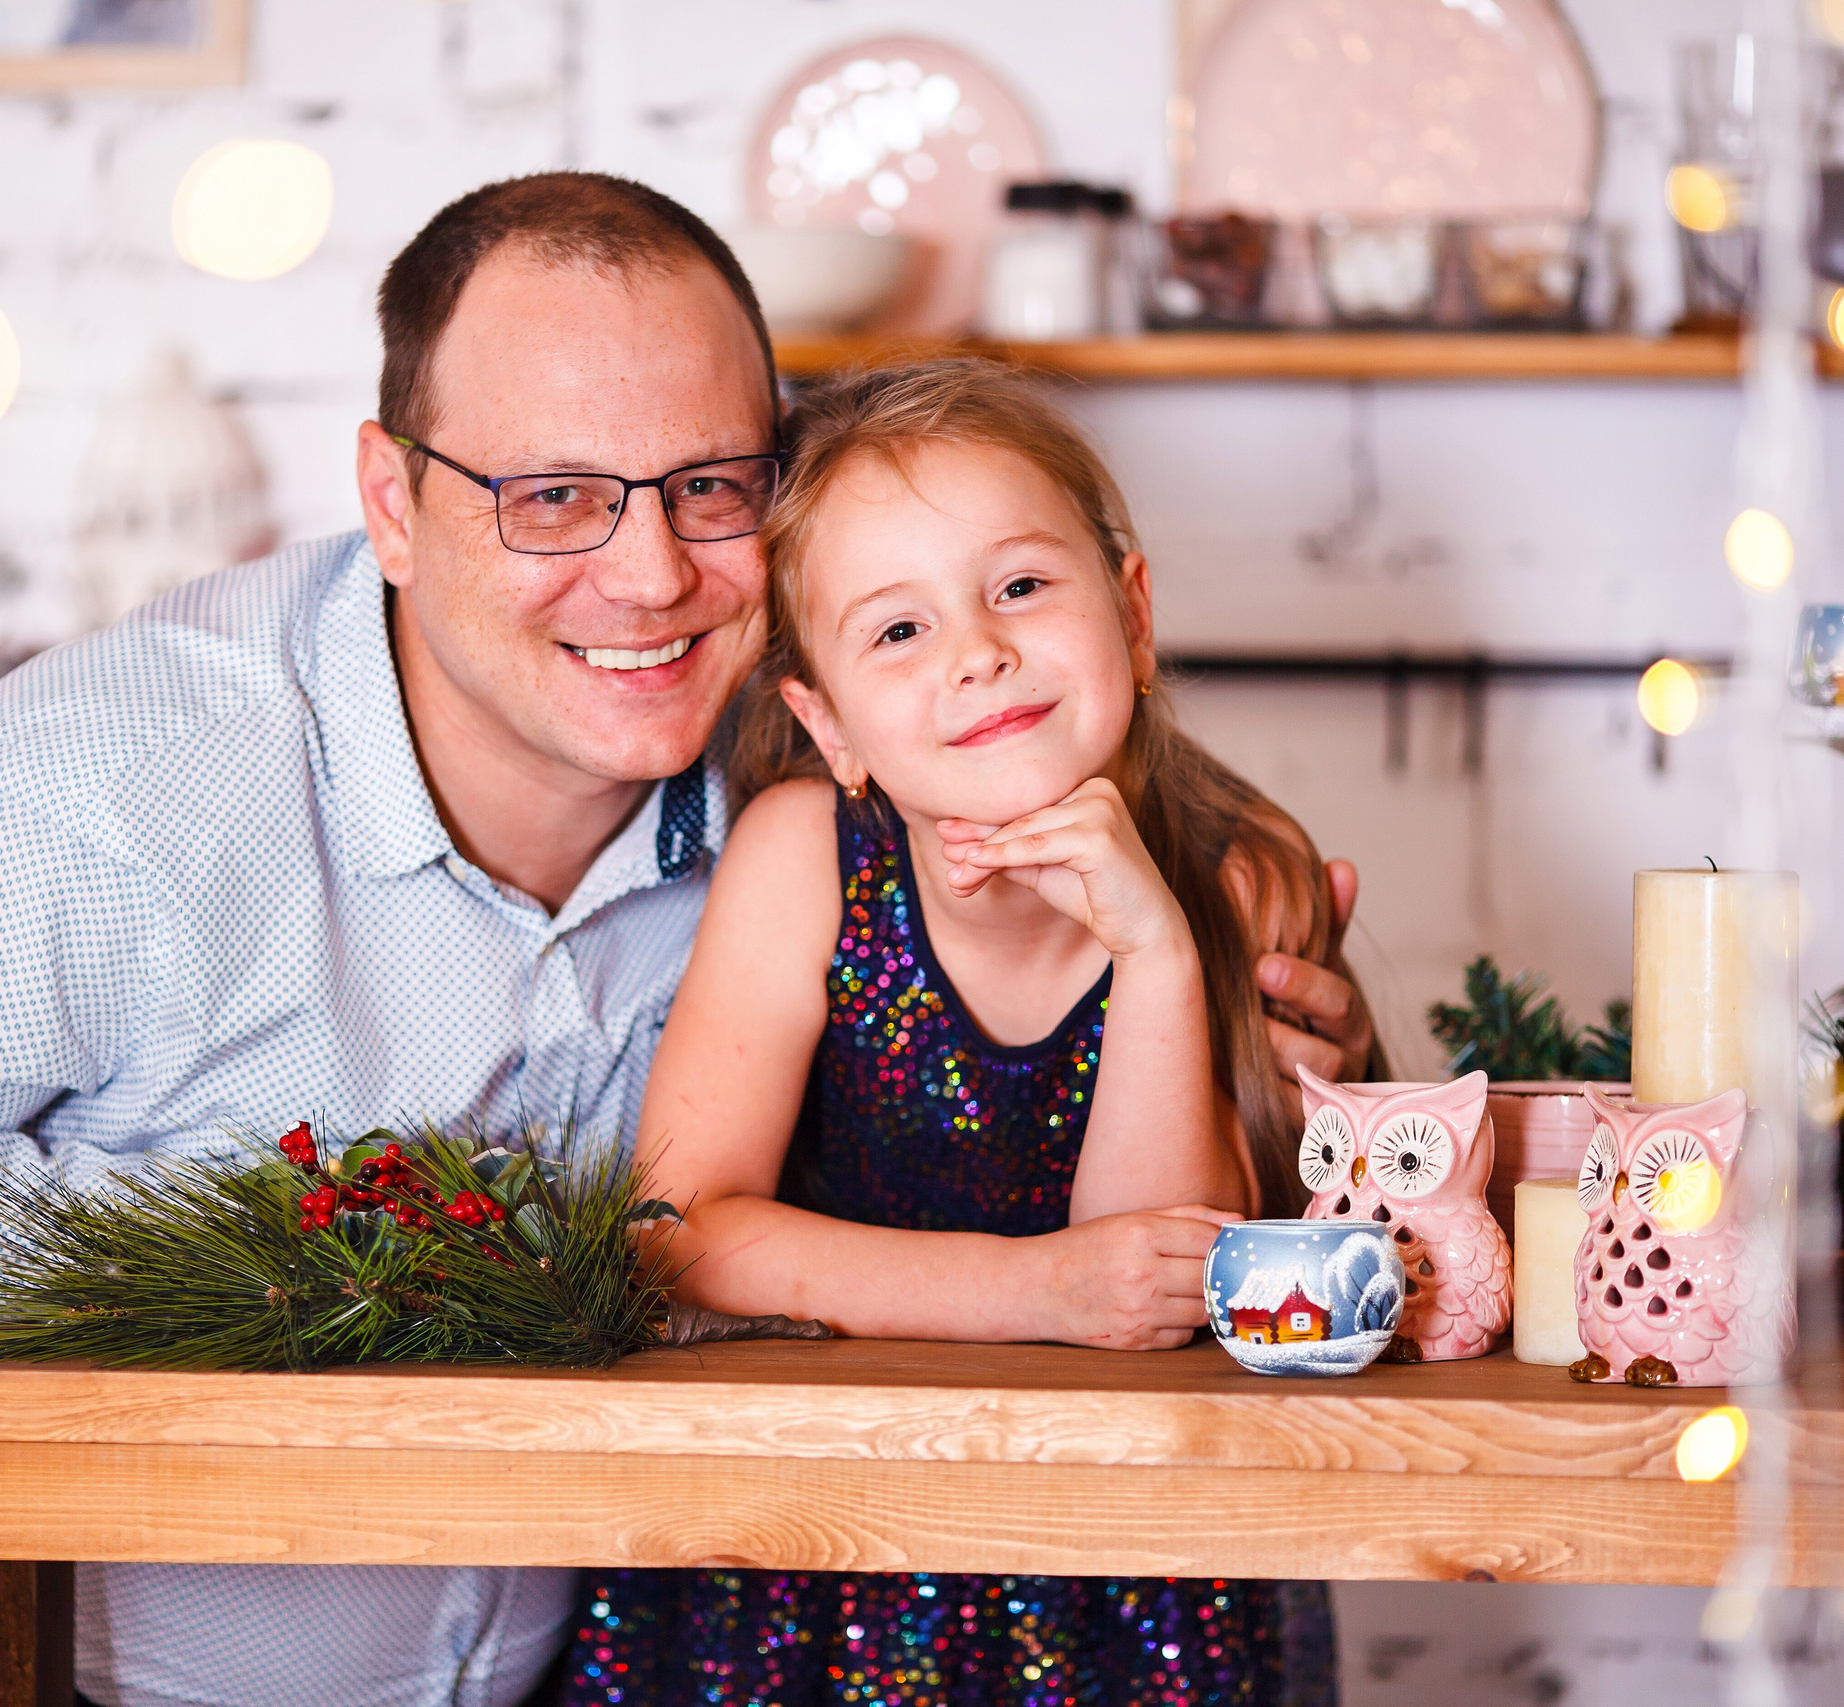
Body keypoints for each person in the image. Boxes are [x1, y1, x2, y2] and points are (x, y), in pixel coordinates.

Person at [0, 173, 1374, 1707]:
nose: (645, 578)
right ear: (394, 505)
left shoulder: (823, 752)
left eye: (708, 488)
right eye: (551, 496)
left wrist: (1276, 1042)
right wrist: (363, 1245)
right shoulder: (120, 785)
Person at [560, 361, 1364, 1706]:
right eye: (896, 632)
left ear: (1136, 614)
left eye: (1022, 588)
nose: (979, 652)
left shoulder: (1235, 881)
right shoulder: (808, 857)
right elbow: (676, 1230)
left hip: (1129, 1577)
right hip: (810, 1559)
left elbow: (1158, 1288)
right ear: (828, 724)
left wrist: (1154, 947)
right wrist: (1038, 1290)